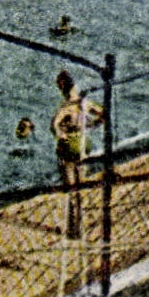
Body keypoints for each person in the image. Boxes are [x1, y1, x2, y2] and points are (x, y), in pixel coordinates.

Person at [51, 70, 103, 239]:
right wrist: (91, 126)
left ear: (62, 87)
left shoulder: (66, 107)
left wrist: (63, 135)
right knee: (81, 186)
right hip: (83, 143)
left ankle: (72, 229)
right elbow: (104, 114)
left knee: (71, 188)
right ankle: (81, 225)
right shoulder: (86, 103)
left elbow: (54, 125)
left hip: (68, 147)